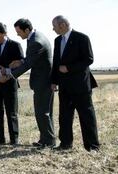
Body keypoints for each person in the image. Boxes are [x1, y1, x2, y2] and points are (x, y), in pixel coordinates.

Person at [3, 18, 56, 149]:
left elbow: (28, 64)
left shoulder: (35, 41)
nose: (17, 35)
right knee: (46, 112)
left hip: (43, 81)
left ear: (27, 30)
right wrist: (20, 62)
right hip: (45, 80)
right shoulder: (35, 37)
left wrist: (10, 74)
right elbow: (31, 59)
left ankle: (48, 142)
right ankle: (47, 139)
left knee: (42, 112)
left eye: (19, 32)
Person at [50, 15, 100, 151]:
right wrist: (54, 81)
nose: (52, 29)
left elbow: (89, 59)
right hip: (64, 86)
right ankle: (65, 144)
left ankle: (92, 146)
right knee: (64, 116)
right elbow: (56, 62)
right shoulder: (57, 40)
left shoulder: (82, 38)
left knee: (86, 116)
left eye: (54, 26)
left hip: (81, 85)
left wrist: (69, 68)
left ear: (62, 25)